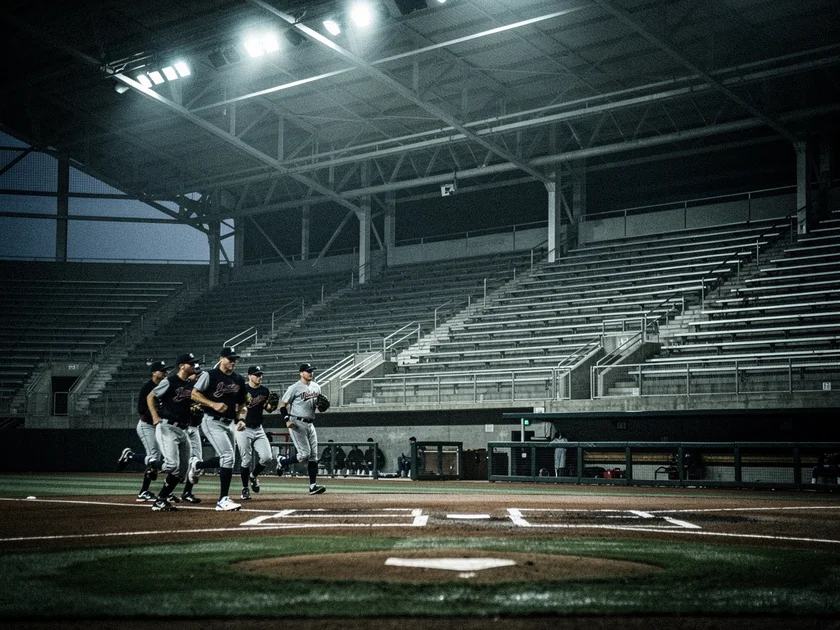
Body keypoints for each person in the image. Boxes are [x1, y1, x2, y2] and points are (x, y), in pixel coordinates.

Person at [187, 347, 246, 512]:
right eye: (230, 358)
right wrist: (212, 404)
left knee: (228, 459)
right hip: (211, 421)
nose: (233, 362)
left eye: (235, 359)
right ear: (222, 358)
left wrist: (241, 418)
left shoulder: (238, 379)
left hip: (229, 423)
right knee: (228, 457)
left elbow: (242, 403)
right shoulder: (210, 375)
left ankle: (198, 465)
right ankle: (222, 500)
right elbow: (194, 394)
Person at [146, 353, 199, 511]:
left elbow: (187, 404)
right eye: (191, 364)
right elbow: (151, 396)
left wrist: (194, 408)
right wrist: (155, 417)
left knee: (182, 472)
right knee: (172, 465)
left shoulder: (190, 386)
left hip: (183, 430)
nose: (194, 366)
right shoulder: (169, 381)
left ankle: (161, 500)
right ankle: (148, 462)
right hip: (167, 427)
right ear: (182, 366)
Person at [116, 360, 167, 502]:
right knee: (154, 457)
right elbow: (141, 409)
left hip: (159, 426)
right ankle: (131, 457)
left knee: (157, 459)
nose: (165, 372)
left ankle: (144, 490)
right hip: (147, 425)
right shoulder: (147, 387)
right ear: (154, 373)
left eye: (165, 370)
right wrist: (156, 414)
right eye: (162, 370)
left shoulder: (165, 386)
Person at [275, 363, 327, 494]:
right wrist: (287, 420)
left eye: (311, 371)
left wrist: (322, 406)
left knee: (313, 456)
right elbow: (282, 405)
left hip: (310, 423)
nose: (310, 373)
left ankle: (313, 486)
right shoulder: (294, 388)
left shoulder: (317, 387)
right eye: (308, 371)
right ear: (301, 373)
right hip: (296, 423)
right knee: (304, 454)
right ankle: (282, 461)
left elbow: (318, 404)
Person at [235, 365, 276, 500]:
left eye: (260, 375)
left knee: (267, 457)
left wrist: (272, 406)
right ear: (250, 376)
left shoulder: (264, 390)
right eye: (257, 375)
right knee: (246, 459)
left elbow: (267, 408)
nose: (259, 377)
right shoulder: (243, 390)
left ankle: (253, 476)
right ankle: (245, 489)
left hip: (258, 428)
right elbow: (237, 407)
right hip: (244, 428)